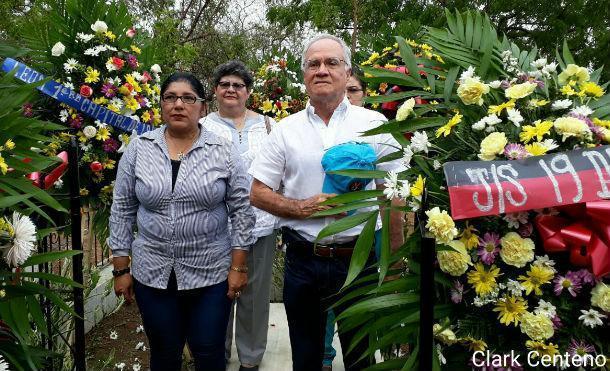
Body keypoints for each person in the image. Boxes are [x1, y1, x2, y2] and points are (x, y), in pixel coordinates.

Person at [249, 34, 405, 371]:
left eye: (331, 62)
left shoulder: (374, 125)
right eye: (313, 64)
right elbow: (257, 192)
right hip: (304, 260)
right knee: (306, 358)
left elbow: (396, 192)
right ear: (304, 75)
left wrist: (393, 263)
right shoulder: (285, 130)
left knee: (362, 357)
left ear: (347, 73)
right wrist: (302, 207)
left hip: (359, 259)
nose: (322, 70)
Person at [108, 71, 256, 371]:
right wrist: (121, 268)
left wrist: (238, 267)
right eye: (170, 97)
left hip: (211, 274)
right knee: (164, 352)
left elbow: (241, 210)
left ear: (202, 107)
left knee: (209, 350)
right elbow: (122, 208)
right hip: (153, 274)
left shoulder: (223, 151)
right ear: (161, 105)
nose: (178, 104)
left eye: (188, 98)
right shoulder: (139, 149)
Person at [201, 60, 277, 371]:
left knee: (255, 298)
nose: (231, 89)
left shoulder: (271, 126)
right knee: (217, 296)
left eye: (238, 85)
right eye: (225, 84)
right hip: (216, 228)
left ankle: (251, 359)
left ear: (248, 92)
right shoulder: (202, 126)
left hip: (261, 225)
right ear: (216, 91)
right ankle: (216, 356)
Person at [322, 67, 369, 371]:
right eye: (346, 90)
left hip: (365, 237)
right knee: (324, 309)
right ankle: (324, 357)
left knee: (360, 309)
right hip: (324, 237)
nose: (348, 95)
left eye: (354, 90)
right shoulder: (322, 127)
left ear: (364, 95)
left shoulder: (374, 128)